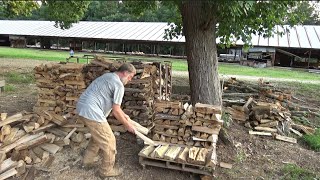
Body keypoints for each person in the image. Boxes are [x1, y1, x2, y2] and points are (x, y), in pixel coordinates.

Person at [76, 63, 136, 178]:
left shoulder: (108, 76)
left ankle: (87, 161)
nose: (130, 80)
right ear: (125, 73)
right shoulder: (118, 85)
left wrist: (125, 116)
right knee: (109, 141)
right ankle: (106, 171)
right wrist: (127, 125)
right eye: (130, 77)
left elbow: (117, 108)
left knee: (97, 136)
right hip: (92, 111)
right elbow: (116, 111)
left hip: (82, 107)